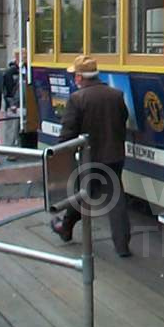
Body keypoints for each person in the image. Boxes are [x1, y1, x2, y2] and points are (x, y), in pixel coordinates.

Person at [50, 55, 131, 257]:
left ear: (79, 77)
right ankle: (122, 246)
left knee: (83, 194)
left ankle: (65, 227)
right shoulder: (116, 94)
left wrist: (56, 156)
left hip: (90, 157)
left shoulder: (77, 99)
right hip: (114, 154)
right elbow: (123, 119)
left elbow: (68, 133)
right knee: (116, 198)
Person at [2, 50, 21, 154]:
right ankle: (10, 150)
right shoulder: (9, 72)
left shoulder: (26, 70)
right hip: (13, 104)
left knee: (18, 128)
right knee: (11, 127)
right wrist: (11, 103)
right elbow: (7, 90)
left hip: (23, 104)